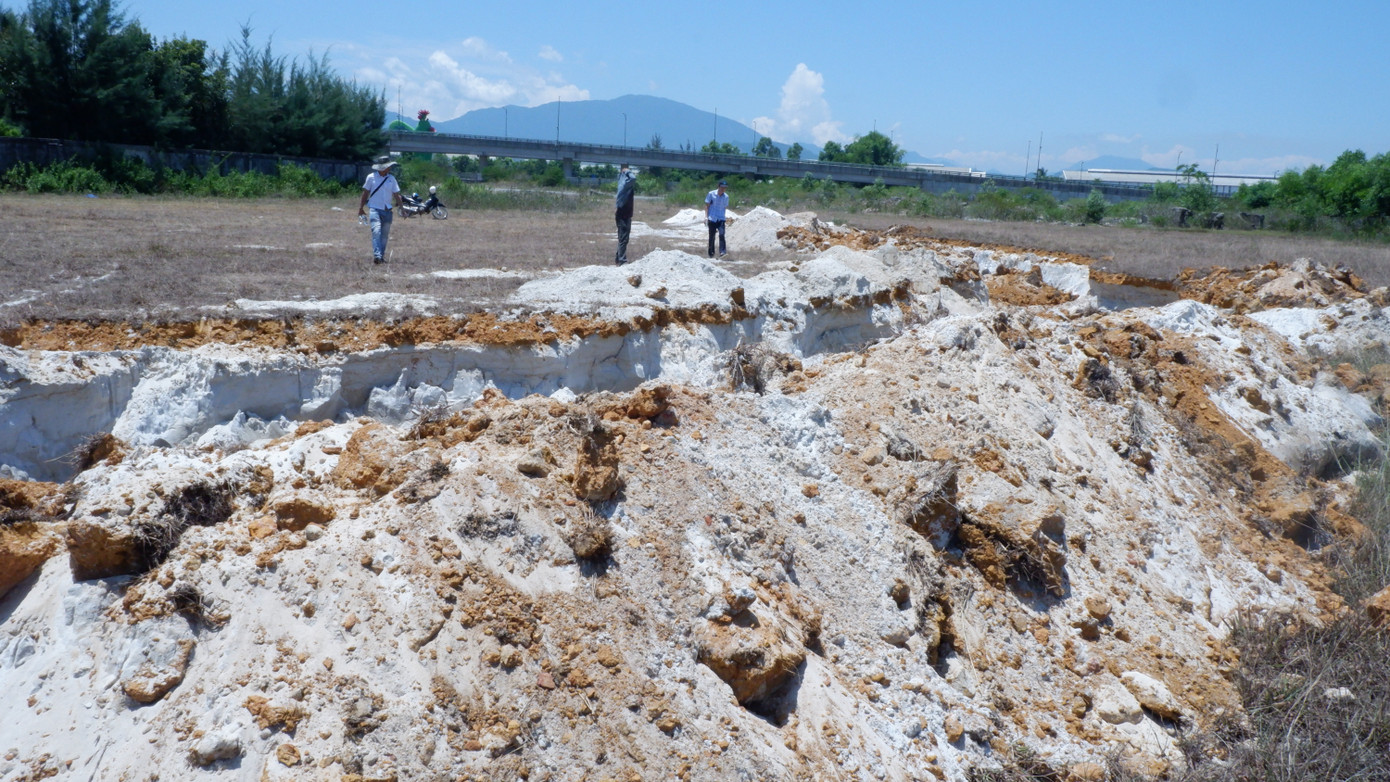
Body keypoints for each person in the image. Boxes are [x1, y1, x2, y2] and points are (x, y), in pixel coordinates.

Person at [358, 155, 403, 264]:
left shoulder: (391, 179)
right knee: (376, 231)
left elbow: (396, 195)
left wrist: (402, 208)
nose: (389, 168)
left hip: (387, 211)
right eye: (388, 166)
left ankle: (381, 257)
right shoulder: (371, 177)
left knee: (384, 236)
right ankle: (377, 255)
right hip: (374, 209)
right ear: (382, 168)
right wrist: (361, 208)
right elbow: (365, 193)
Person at [614, 163, 637, 265]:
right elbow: (633, 178)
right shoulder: (625, 184)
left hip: (624, 213)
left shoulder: (622, 182)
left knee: (622, 238)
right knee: (623, 238)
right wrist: (627, 171)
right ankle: (621, 260)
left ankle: (619, 258)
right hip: (623, 214)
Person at [704, 180, 729, 258]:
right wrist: (706, 217)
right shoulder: (711, 194)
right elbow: (707, 206)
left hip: (721, 218)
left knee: (722, 234)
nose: (723, 189)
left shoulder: (726, 197)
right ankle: (711, 253)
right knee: (712, 236)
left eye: (725, 188)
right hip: (712, 218)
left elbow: (724, 207)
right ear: (719, 187)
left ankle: (722, 252)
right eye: (722, 187)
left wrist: (724, 216)